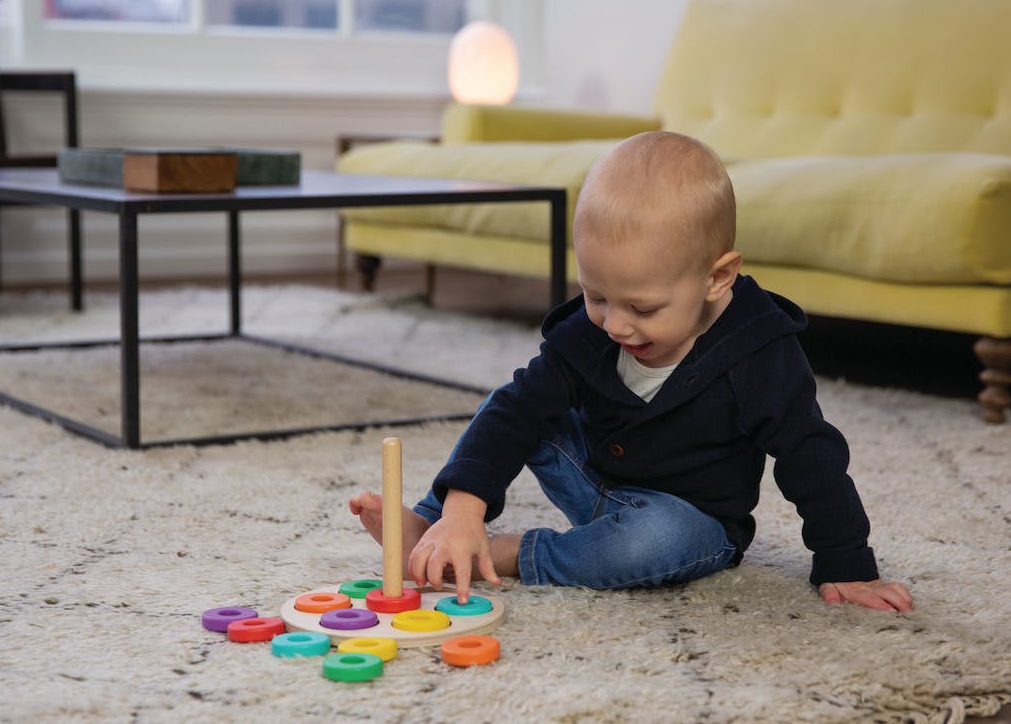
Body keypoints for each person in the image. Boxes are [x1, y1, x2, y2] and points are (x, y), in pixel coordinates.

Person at [350, 131, 913, 613]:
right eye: (595, 295)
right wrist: (463, 506)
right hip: (590, 477)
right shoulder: (595, 327)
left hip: (689, 518)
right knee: (519, 408)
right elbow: (516, 411)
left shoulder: (759, 352)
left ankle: (499, 553)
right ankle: (436, 529)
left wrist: (847, 562)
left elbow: (809, 455)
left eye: (642, 308)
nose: (615, 325)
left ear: (717, 279)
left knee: (657, 544)